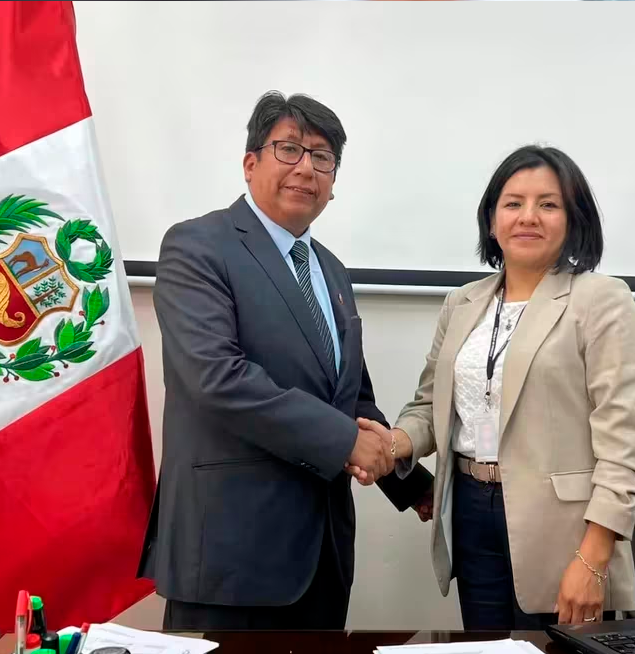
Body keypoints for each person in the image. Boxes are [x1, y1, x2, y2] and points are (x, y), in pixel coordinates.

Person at [139, 91, 432, 630]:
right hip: (229, 552)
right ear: (250, 163)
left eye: (322, 157)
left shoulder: (331, 269)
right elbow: (218, 379)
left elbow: (351, 398)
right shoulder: (196, 246)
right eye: (289, 149)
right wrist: (347, 442)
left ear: (333, 182)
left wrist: (410, 482)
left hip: (323, 552)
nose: (306, 168)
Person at [357, 145, 635, 630]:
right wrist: (393, 443)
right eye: (513, 203)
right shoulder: (462, 303)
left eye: (548, 204)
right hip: (470, 510)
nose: (528, 216)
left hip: (565, 529)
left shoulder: (602, 300)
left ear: (573, 219)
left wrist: (595, 555)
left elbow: (627, 441)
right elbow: (430, 404)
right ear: (492, 221)